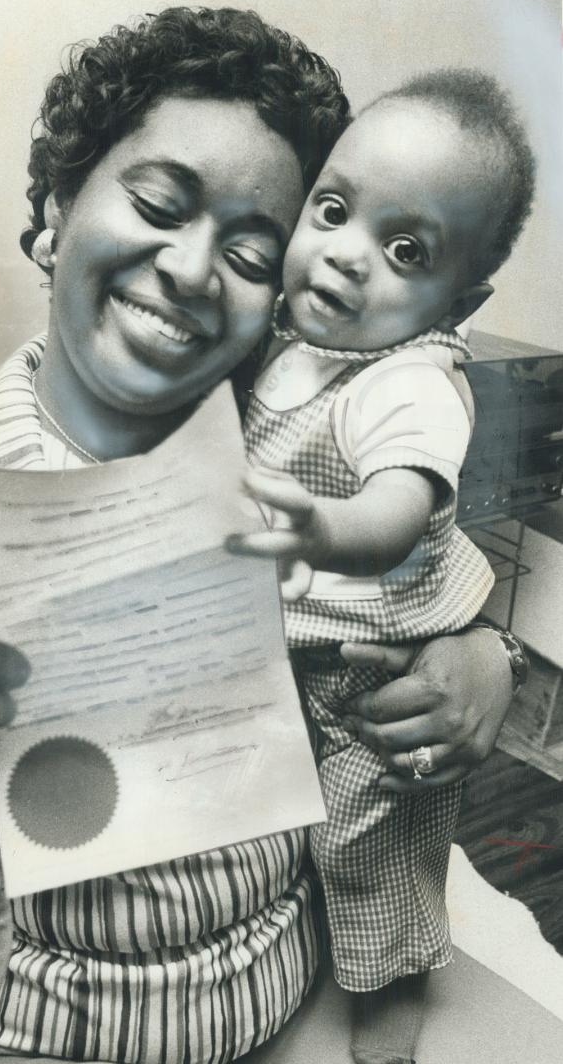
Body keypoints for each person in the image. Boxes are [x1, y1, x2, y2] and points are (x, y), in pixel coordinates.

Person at [0, 8, 518, 1064]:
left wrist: (477, 660)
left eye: (250, 251)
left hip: (311, 1004)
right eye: (157, 204)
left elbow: (412, 562)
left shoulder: (295, 463)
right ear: (55, 213)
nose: (194, 269)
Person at [227, 69, 535, 1064]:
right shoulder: (282, 341)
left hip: (377, 669)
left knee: (375, 848)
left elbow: (400, 507)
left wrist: (324, 526)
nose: (347, 257)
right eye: (332, 210)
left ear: (460, 299)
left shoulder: (410, 380)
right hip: (292, 651)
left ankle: (391, 991)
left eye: (405, 250)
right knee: (287, 828)